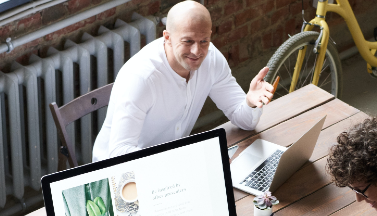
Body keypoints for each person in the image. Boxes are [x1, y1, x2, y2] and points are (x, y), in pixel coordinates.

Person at [91, 0, 275, 162]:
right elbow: (119, 154)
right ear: (168, 38)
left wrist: (250, 102)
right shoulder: (142, 78)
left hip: (171, 164)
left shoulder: (212, 60)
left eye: (204, 40)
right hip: (119, 173)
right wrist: (181, 162)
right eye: (188, 41)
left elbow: (245, 122)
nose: (197, 51)